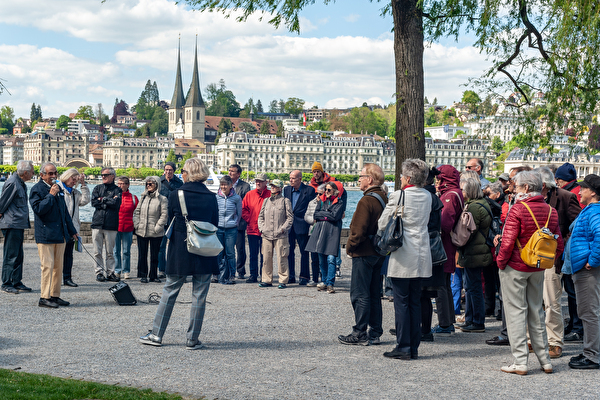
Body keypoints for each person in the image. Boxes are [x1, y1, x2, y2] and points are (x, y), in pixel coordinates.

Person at [139, 158, 218, 350]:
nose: (181, 173)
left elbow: (169, 220)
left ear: (188, 173)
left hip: (181, 248)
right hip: (204, 247)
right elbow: (215, 221)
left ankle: (157, 334)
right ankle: (192, 338)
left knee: (170, 291)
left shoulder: (176, 194)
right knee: (200, 295)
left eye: (183, 170)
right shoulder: (211, 196)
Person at [496, 170, 563, 375]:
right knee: (536, 311)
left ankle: (520, 361)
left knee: (516, 312)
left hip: (515, 265)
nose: (513, 189)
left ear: (525, 188)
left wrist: (500, 262)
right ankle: (545, 360)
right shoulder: (551, 210)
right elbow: (558, 242)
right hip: (537, 266)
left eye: (515, 186)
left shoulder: (517, 209)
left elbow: (507, 243)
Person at [379, 159, 432, 360]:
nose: (400, 179)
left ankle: (403, 345)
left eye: (402, 176)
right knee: (415, 301)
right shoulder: (427, 196)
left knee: (401, 301)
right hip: (421, 252)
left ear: (408, 178)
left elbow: (383, 223)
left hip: (403, 252)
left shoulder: (399, 195)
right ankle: (414, 345)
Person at [338, 163, 387, 346]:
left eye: (361, 176)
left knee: (360, 293)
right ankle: (375, 331)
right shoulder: (383, 198)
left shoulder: (366, 200)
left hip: (364, 252)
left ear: (370, 179)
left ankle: (359, 332)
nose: (358, 179)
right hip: (378, 252)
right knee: (375, 293)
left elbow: (358, 231)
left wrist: (350, 248)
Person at [536, 167, 581, 359]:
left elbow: (578, 224)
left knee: (553, 301)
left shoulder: (565, 196)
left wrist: (560, 243)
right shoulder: (531, 199)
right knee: (536, 301)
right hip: (533, 256)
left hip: (554, 256)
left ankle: (554, 342)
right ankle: (537, 339)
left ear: (544, 185)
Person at [30, 162, 78, 308]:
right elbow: (39, 209)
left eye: (55, 173)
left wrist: (72, 230)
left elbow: (65, 213)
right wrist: (51, 195)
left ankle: (55, 295)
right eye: (50, 173)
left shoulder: (59, 189)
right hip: (45, 234)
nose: (53, 176)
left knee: (58, 266)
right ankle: (44, 297)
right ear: (42, 175)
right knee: (47, 266)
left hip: (60, 234)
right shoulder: (36, 189)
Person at [568, 174, 600, 369]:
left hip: (588, 270)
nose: (580, 190)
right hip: (585, 267)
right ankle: (591, 350)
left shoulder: (594, 211)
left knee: (589, 312)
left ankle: (593, 355)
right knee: (589, 311)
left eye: (584, 188)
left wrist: (592, 261)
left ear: (593, 192)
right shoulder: (591, 210)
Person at [456, 175, 492, 333]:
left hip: (474, 251)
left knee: (473, 287)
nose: (461, 192)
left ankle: (476, 321)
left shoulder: (473, 207)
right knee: (472, 287)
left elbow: (467, 231)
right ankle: (471, 319)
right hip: (478, 250)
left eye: (463, 189)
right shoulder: (482, 204)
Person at [431, 165, 463, 336]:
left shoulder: (450, 195)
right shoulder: (455, 193)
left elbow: (445, 223)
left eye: (439, 178)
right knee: (445, 284)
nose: (437, 181)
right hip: (448, 244)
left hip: (444, 244)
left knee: (441, 284)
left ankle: (444, 323)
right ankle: (448, 321)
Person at [308, 161, 347, 286]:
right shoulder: (313, 185)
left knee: (331, 255)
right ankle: (322, 280)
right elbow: (316, 213)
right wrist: (326, 215)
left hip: (332, 227)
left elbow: (335, 214)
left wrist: (342, 210)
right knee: (320, 255)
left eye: (317, 171)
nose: (315, 173)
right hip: (320, 226)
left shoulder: (334, 183)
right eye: (314, 171)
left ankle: (331, 276)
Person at [0, 160, 34, 294]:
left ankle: (16, 281)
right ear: (24, 173)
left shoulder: (20, 183)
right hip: (11, 224)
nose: (33, 174)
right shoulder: (13, 183)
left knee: (19, 254)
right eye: (32, 172)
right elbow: (3, 202)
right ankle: (6, 283)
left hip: (18, 224)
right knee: (11, 255)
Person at [420, 167, 444, 342]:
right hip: (433, 248)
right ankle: (425, 329)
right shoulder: (434, 198)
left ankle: (421, 329)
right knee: (427, 294)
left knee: (420, 292)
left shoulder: (423, 198)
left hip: (424, 248)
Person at [257, 179, 293, 289]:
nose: (272, 187)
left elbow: (290, 218)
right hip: (266, 234)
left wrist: (283, 229)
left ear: (280, 188)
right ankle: (266, 280)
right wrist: (262, 228)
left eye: (275, 186)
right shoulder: (266, 201)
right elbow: (260, 216)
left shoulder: (285, 201)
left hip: (280, 235)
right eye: (271, 186)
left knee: (282, 258)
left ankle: (283, 280)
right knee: (266, 258)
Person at [57, 168, 90, 287]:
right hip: (60, 228)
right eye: (73, 179)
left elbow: (85, 201)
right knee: (58, 254)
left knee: (68, 255)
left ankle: (67, 278)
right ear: (66, 176)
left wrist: (83, 185)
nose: (74, 182)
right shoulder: (58, 189)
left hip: (73, 228)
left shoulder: (75, 193)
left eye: (76, 180)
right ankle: (56, 279)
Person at [284, 170, 316, 285]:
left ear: (300, 179)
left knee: (304, 252)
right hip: (290, 225)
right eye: (290, 178)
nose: (291, 180)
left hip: (302, 224)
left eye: (293, 178)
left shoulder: (309, 190)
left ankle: (304, 276)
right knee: (289, 251)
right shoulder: (286, 189)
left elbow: (312, 208)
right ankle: (291, 275)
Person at [134, 176, 168, 284]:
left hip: (156, 232)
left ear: (157, 185)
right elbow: (136, 212)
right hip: (142, 230)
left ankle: (153, 275)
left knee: (155, 254)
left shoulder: (162, 199)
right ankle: (143, 275)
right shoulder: (143, 197)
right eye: (147, 184)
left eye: (151, 184)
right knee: (142, 254)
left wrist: (157, 227)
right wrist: (137, 225)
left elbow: (164, 215)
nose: (148, 185)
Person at [90, 167, 122, 282]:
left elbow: (116, 203)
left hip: (111, 224)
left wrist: (102, 199)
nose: (103, 176)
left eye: (106, 175)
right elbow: (93, 202)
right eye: (102, 175)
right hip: (97, 223)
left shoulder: (118, 190)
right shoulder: (97, 188)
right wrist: (107, 200)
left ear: (112, 176)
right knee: (97, 251)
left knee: (110, 252)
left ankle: (110, 272)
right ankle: (99, 272)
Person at [241, 173, 271, 283]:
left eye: (260, 181)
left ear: (265, 182)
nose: (258, 183)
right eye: (257, 181)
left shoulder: (270, 194)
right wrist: (249, 220)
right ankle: (253, 274)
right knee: (253, 254)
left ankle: (264, 275)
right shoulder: (249, 194)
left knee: (265, 254)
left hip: (266, 230)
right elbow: (243, 209)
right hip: (252, 229)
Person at [158, 162, 183, 278]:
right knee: (161, 246)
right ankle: (161, 269)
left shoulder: (179, 183)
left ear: (174, 171)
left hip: (175, 218)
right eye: (167, 170)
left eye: (171, 170)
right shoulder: (158, 182)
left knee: (176, 246)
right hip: (162, 217)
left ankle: (175, 269)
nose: (168, 172)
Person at [215, 175, 242, 285]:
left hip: (231, 229)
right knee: (218, 252)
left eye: (225, 184)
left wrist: (235, 222)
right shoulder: (216, 197)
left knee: (230, 252)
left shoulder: (236, 198)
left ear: (231, 185)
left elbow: (239, 214)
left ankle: (231, 274)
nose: (223, 186)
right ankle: (218, 274)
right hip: (219, 228)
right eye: (222, 184)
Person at [228, 164, 251, 279]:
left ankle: (241, 271)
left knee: (240, 248)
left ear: (238, 174)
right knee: (227, 248)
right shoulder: (225, 183)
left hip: (239, 221)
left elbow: (245, 204)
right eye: (229, 171)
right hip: (227, 221)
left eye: (232, 171)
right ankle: (228, 270)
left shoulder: (245, 186)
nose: (230, 173)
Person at [114, 176, 138, 280]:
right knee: (116, 251)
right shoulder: (114, 196)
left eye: (123, 183)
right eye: (119, 183)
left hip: (128, 227)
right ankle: (117, 270)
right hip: (116, 227)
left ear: (128, 185)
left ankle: (126, 271)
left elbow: (137, 213)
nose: (120, 185)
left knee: (126, 251)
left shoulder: (133, 198)